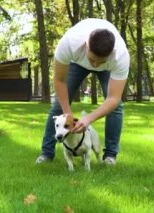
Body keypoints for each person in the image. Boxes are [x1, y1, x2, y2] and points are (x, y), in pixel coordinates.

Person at [35, 18, 130, 165]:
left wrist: (88, 119)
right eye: (92, 60)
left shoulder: (121, 57)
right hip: (77, 62)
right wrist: (67, 114)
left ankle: (110, 156)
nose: (95, 65)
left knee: (116, 108)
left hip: (108, 69)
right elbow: (59, 81)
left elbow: (113, 98)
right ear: (86, 45)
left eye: (100, 61)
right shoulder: (69, 43)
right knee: (58, 107)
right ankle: (47, 154)